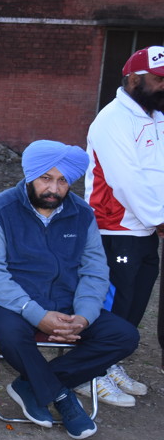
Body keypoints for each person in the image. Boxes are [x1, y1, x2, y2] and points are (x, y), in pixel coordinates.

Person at [0, 140, 139, 440]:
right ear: (30, 176)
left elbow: (94, 270)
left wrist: (84, 316)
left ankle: (31, 384)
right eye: (46, 178)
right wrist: (37, 315)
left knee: (124, 336)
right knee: (10, 335)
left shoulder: (82, 213)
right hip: (12, 301)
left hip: (67, 301)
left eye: (62, 180)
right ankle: (61, 396)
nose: (54, 188)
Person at [84, 45, 164, 403]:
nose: (163, 86)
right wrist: (160, 219)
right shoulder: (112, 120)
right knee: (111, 305)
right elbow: (126, 180)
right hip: (114, 230)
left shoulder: (156, 117)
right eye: (158, 79)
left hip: (145, 229)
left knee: (134, 304)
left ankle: (110, 361)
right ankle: (90, 373)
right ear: (133, 79)